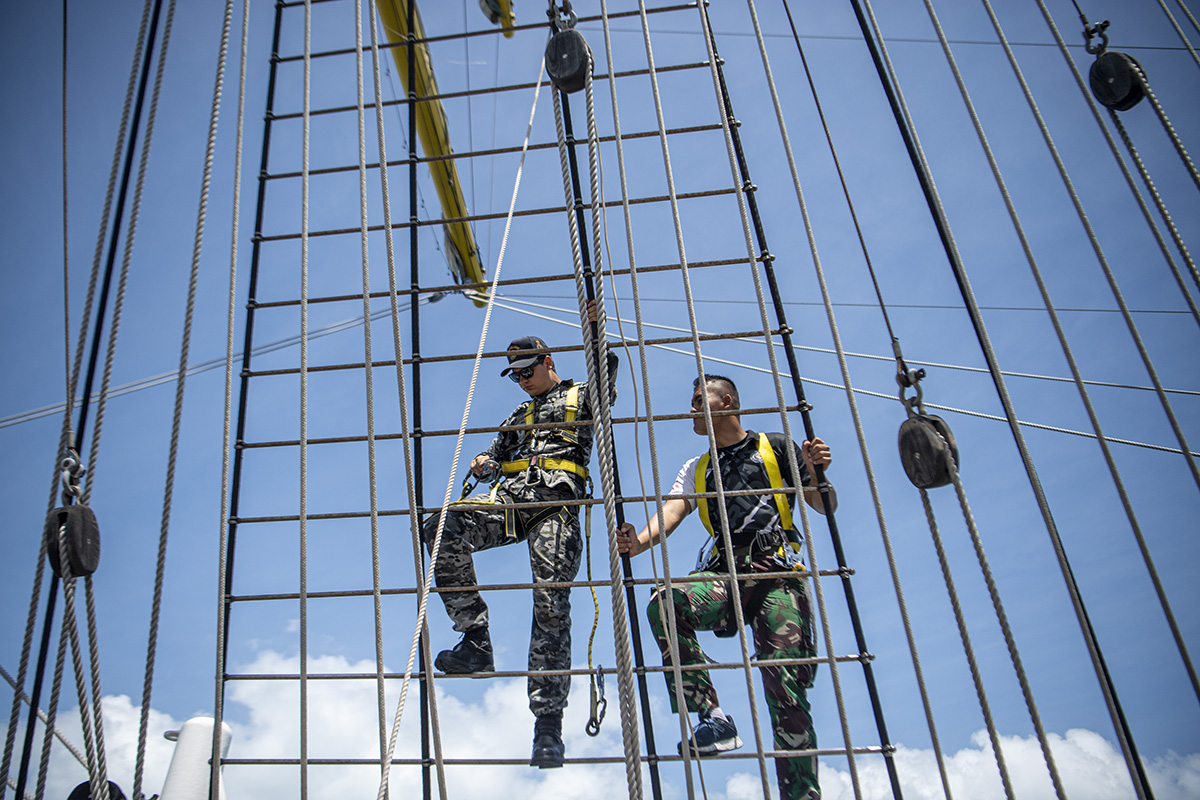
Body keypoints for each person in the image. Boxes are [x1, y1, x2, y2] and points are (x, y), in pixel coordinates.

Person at [616, 374, 834, 800]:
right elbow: (672, 512)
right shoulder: (696, 468)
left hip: (777, 575)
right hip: (725, 575)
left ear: (727, 402)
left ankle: (801, 792)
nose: (692, 409)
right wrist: (637, 542)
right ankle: (712, 717)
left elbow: (823, 505)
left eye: (700, 401)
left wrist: (815, 471)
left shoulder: (776, 447)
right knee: (666, 603)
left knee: (785, 685)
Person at [422, 311, 617, 770]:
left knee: (551, 602)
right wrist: (485, 461)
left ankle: (547, 723)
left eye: (528, 371)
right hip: (511, 503)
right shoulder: (517, 415)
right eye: (516, 376)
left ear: (548, 362)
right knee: (439, 529)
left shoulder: (580, 396)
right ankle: (476, 641)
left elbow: (604, 374)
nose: (523, 381)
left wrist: (594, 334)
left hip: (557, 505)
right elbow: (495, 453)